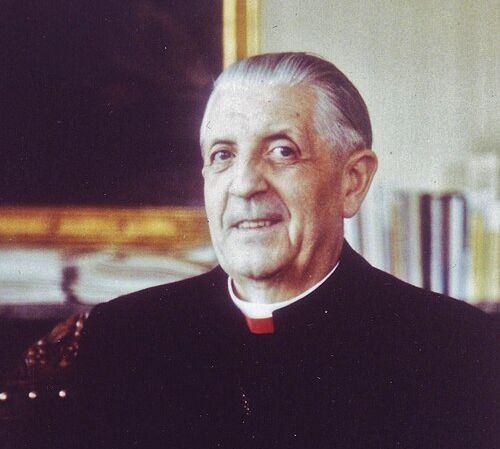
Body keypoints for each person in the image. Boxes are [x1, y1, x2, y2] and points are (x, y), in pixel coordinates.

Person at [67, 53, 497, 449]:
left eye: (282, 151)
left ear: (352, 181)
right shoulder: (122, 340)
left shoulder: (456, 350)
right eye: (223, 155)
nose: (244, 184)